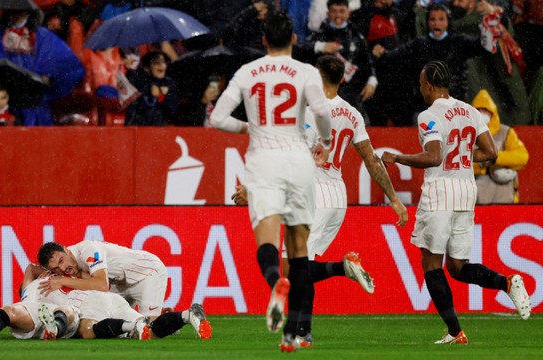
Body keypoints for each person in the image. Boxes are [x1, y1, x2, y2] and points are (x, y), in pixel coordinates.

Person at [232, 54, 408, 346]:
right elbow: (372, 160)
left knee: (293, 268)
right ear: (341, 79)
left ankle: (336, 277)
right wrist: (394, 199)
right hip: (337, 195)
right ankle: (306, 329)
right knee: (303, 264)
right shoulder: (353, 114)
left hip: (312, 191)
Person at [381, 61, 531, 345]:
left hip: (440, 189)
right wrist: (461, 154)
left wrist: (398, 157)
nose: (420, 88)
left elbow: (434, 157)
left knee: (431, 264)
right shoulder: (470, 110)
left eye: (421, 83)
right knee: (457, 267)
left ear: (428, 86)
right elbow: (491, 152)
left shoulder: (428, 115)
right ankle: (506, 282)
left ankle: (455, 332)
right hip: (466, 189)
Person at [210, 11, 333, 352]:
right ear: (293, 39)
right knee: (299, 253)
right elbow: (322, 114)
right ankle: (291, 334)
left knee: (267, 242)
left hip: (264, 160)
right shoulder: (306, 71)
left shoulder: (248, 72)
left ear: (264, 40)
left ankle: (274, 281)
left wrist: (246, 127)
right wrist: (325, 142)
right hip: (299, 160)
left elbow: (218, 117)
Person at [36, 240, 212, 338]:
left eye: (61, 260)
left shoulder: (89, 250)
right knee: (126, 327)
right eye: (56, 269)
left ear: (67, 249)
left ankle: (188, 314)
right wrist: (39, 271)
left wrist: (59, 280)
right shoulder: (68, 267)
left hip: (146, 273)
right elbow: (32, 268)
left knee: (149, 330)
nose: (62, 268)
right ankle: (164, 316)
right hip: (121, 285)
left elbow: (101, 285)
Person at [0, 8, 84, 126]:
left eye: (19, 12)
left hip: (35, 102)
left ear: (28, 12)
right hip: (9, 102)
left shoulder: (42, 35)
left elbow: (69, 66)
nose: (15, 16)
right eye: (12, 12)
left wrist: (48, 78)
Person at [303, 0, 378, 123]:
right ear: (328, 13)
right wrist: (320, 46)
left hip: (351, 95)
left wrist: (372, 80)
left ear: (348, 13)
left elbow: (368, 61)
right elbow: (301, 51)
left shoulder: (357, 36)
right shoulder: (318, 36)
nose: (338, 15)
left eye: (342, 11)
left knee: (361, 128)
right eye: (334, 11)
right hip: (322, 95)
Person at [471, 89, 529, 204]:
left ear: (493, 112)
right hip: (479, 197)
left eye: (485, 110)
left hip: (506, 193)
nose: (482, 113)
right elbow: (460, 164)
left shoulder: (506, 132)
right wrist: (481, 163)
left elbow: (522, 157)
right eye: (478, 110)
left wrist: (496, 158)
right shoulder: (468, 135)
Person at [125, 51, 179, 126]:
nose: (161, 65)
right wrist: (148, 90)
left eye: (163, 62)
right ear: (146, 68)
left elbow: (173, 109)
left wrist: (161, 96)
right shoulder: (137, 79)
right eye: (156, 63)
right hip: (137, 127)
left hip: (159, 128)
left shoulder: (169, 83)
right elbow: (132, 105)